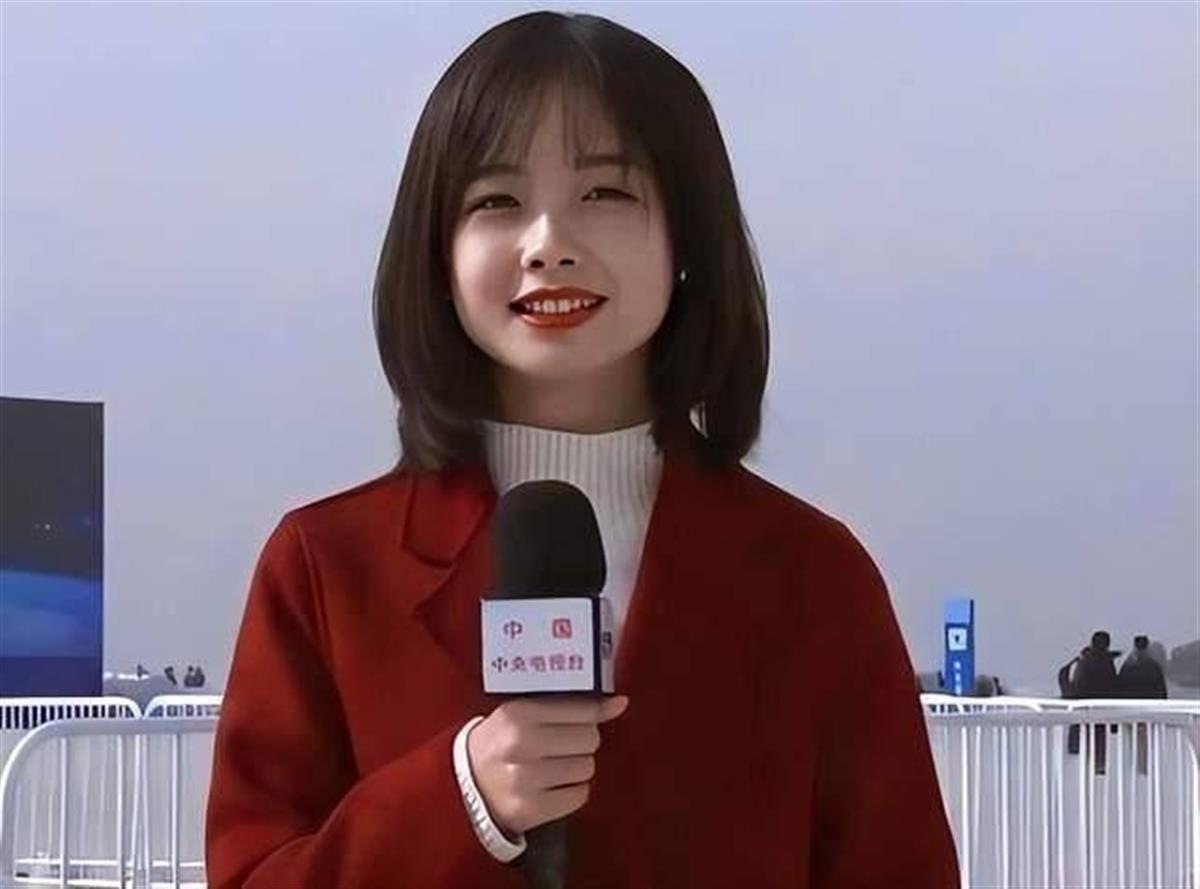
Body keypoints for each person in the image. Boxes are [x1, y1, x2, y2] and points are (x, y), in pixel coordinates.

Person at [204, 11, 959, 888]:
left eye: (604, 193)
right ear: (437, 256)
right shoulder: (327, 568)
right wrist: (462, 796)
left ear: (687, 238)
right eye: (496, 202)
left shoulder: (814, 575)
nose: (549, 245)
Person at [1119, 635, 1168, 775]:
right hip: (1148, 709)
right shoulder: (1153, 666)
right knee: (1145, 740)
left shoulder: (1127, 665)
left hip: (1129, 709)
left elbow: (1120, 686)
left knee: (1133, 739)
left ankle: (1135, 767)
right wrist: (1162, 706)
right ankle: (1144, 767)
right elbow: (1161, 689)